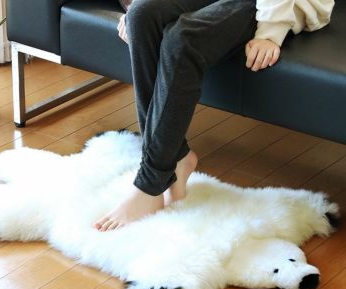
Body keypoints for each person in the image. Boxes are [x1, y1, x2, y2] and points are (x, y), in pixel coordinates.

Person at [93, 0, 335, 232]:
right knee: (142, 16)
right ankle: (177, 156)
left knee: (182, 40)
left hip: (277, 4)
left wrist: (271, 31)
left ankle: (150, 182)